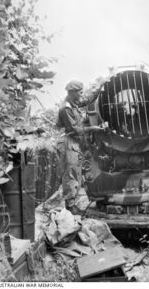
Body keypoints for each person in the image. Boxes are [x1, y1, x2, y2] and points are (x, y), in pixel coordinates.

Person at [56, 79, 104, 212]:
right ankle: (70, 207)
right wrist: (93, 128)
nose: (82, 95)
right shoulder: (66, 108)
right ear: (73, 93)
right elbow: (75, 129)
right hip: (68, 141)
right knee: (71, 173)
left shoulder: (74, 103)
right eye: (80, 92)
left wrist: (100, 86)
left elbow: (86, 99)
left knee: (76, 172)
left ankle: (72, 204)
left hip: (74, 142)